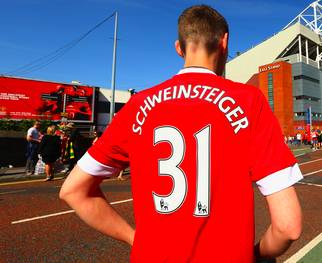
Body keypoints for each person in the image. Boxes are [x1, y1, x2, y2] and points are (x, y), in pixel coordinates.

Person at [60, 5, 302, 262]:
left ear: (179, 47)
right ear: (225, 42)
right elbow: (288, 226)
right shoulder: (249, 100)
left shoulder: (138, 105)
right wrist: (253, 255)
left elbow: (73, 191)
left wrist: (135, 239)